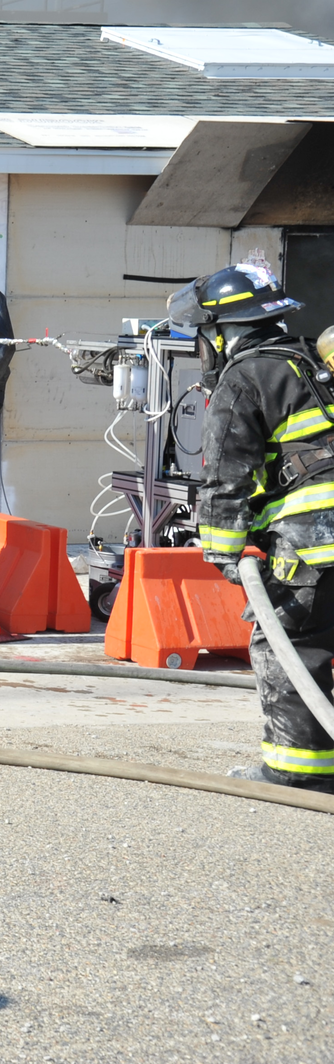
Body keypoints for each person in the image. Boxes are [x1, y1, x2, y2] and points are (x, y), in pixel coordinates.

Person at [174, 260, 334, 793]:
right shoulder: (313, 362)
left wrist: (222, 553)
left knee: (290, 644)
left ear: (223, 332)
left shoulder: (245, 377)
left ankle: (297, 773)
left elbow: (226, 476)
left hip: (314, 541)